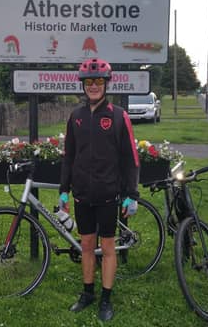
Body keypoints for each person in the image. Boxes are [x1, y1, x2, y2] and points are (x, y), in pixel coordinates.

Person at [59, 58, 140, 322]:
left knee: (106, 248)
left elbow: (131, 158)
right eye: (89, 82)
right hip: (82, 193)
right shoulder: (76, 117)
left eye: (99, 82)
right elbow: (69, 156)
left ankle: (106, 298)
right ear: (83, 85)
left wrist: (132, 194)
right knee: (85, 245)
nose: (94, 86)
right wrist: (63, 191)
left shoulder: (118, 117)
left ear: (107, 84)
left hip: (108, 193)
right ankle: (87, 293)